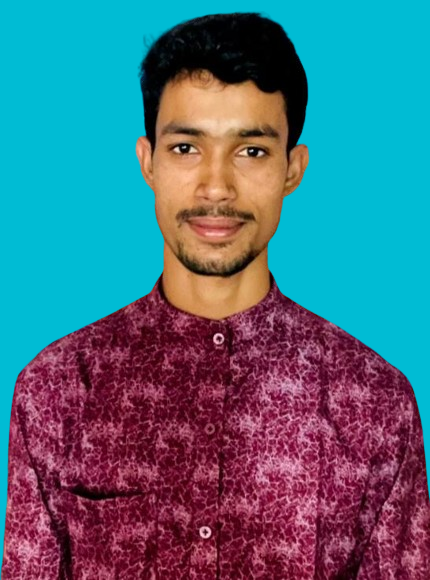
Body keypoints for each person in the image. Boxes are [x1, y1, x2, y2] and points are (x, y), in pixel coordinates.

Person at [2, 12, 429, 579]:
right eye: (186, 147)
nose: (216, 187)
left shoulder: (374, 402)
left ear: (292, 168)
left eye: (251, 151)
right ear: (148, 161)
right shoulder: (58, 390)